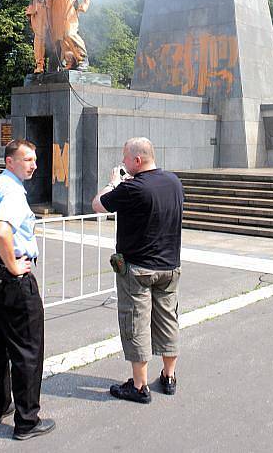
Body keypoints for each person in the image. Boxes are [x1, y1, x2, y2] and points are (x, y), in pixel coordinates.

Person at [0, 139, 55, 440]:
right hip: (12, 278)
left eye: (35, 159)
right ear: (9, 161)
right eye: (26, 159)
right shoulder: (13, 191)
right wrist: (13, 263)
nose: (33, 164)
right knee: (27, 349)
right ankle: (27, 421)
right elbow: (3, 229)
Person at [92, 137, 183, 404]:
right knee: (168, 321)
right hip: (170, 266)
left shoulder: (131, 189)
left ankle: (139, 385)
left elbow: (98, 205)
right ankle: (168, 376)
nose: (123, 163)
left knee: (136, 323)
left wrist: (113, 183)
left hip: (138, 269)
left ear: (137, 160)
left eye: (125, 158)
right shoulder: (174, 182)